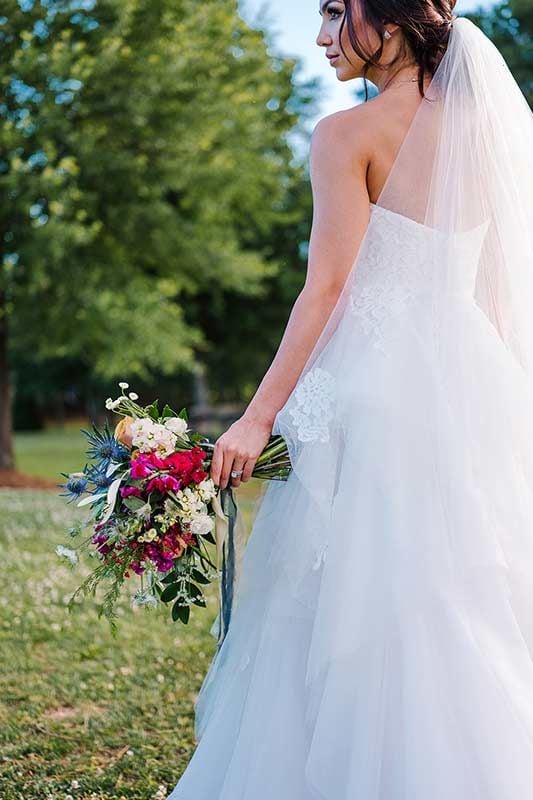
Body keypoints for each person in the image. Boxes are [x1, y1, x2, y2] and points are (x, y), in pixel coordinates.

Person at [167, 2, 533, 798]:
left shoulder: (345, 135)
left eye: (336, 11)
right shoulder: (483, 130)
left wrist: (257, 415)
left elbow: (325, 288)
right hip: (471, 380)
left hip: (371, 385)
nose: (320, 33)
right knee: (458, 587)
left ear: (392, 23)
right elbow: (499, 291)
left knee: (346, 590)